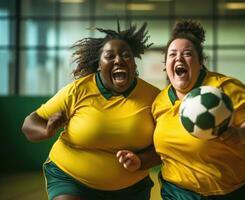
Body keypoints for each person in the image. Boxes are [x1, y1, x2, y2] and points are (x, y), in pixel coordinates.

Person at [117, 20, 245, 200]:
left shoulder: (223, 88)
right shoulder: (159, 102)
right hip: (179, 192)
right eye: (172, 54)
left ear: (200, 63)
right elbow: (162, 150)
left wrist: (241, 134)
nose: (179, 58)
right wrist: (140, 161)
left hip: (240, 189)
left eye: (187, 54)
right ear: (166, 65)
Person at [21, 22, 160, 200]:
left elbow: (165, 144)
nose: (119, 60)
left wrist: (141, 160)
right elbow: (29, 124)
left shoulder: (153, 97)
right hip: (71, 180)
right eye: (110, 56)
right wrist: (46, 130)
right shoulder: (78, 90)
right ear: (99, 65)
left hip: (131, 189)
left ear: (134, 64)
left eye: (126, 56)